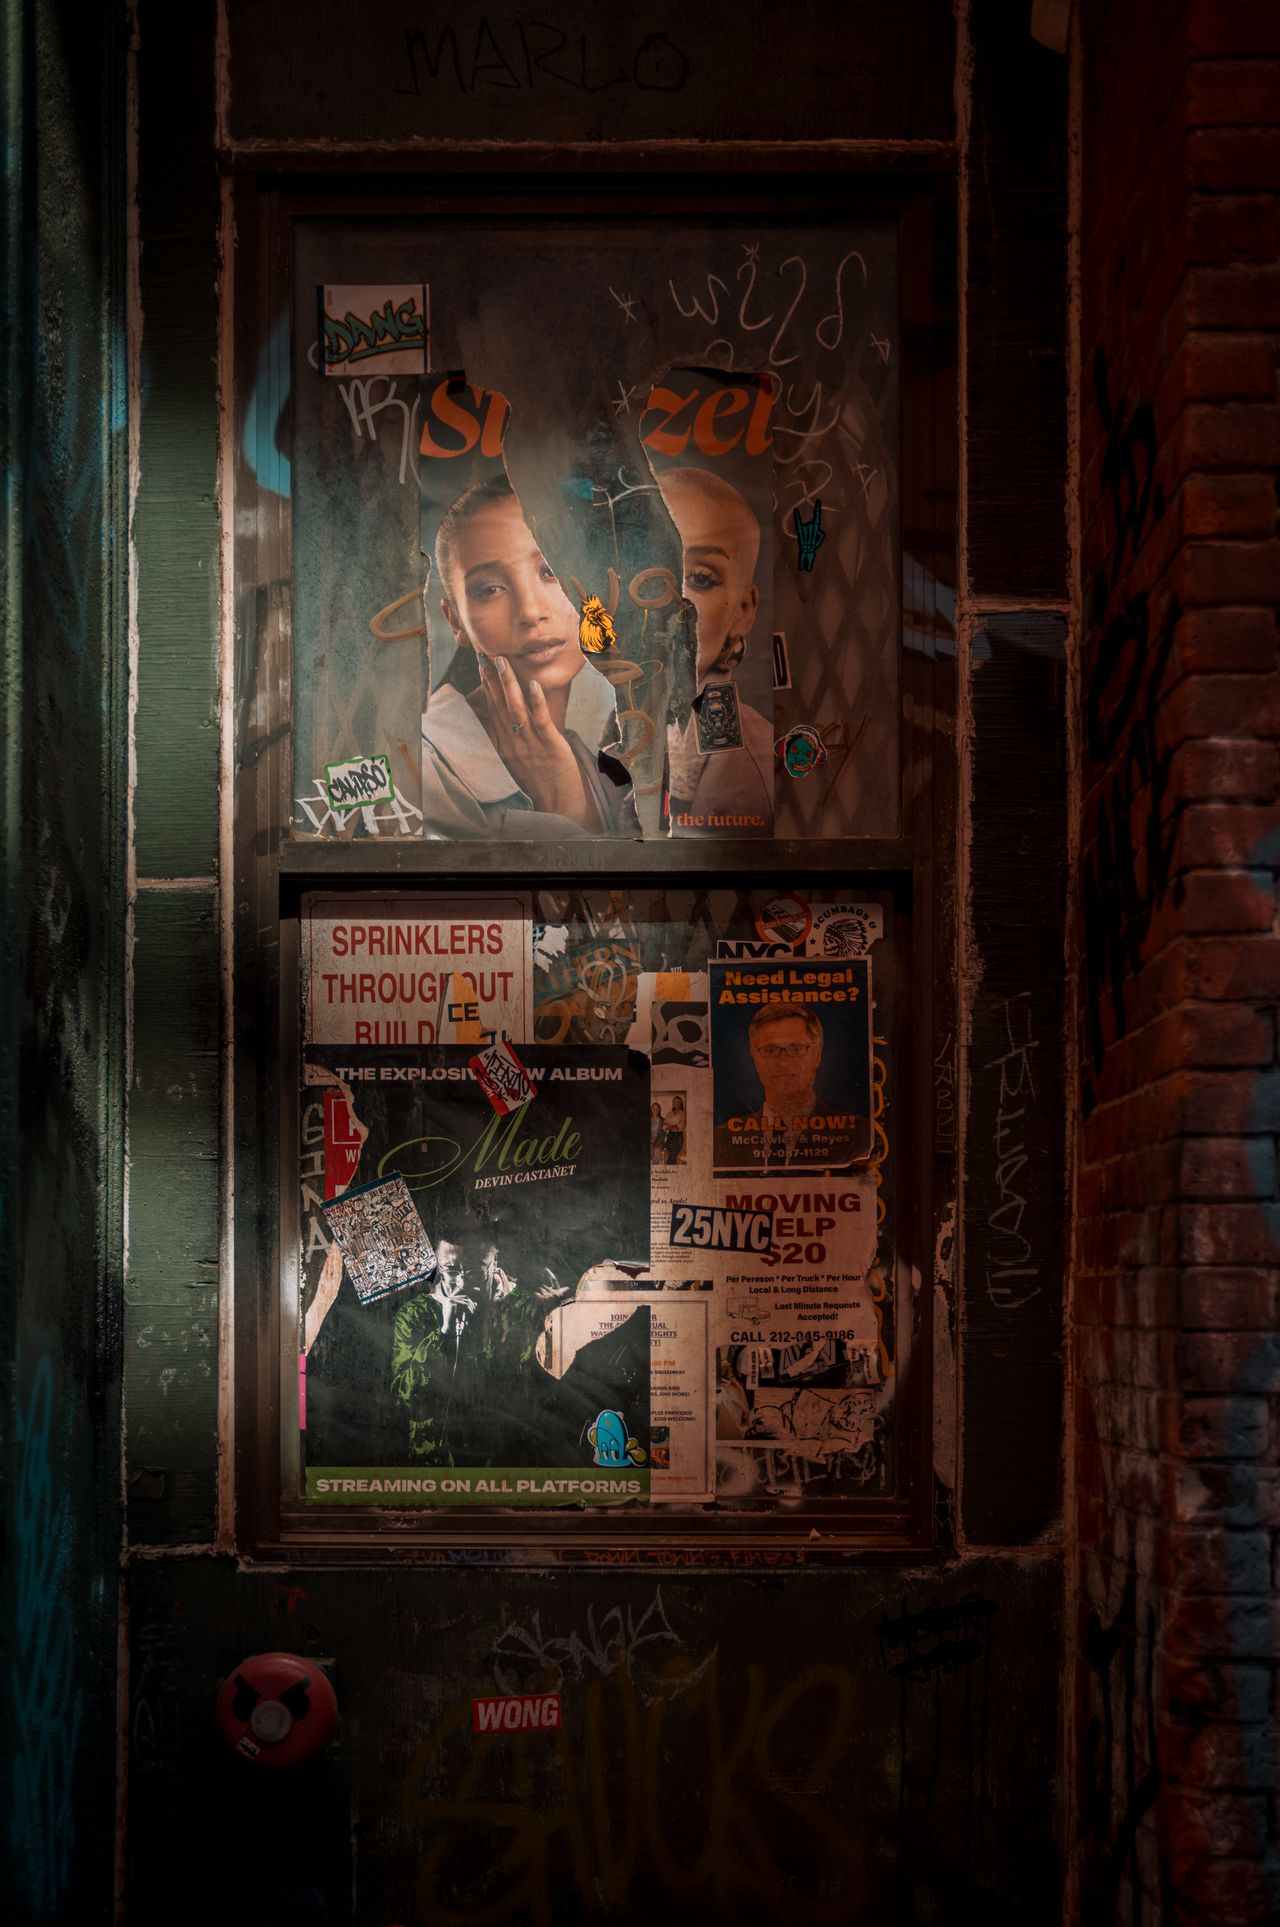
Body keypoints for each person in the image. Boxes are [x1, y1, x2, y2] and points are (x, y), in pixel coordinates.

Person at [421, 475, 636, 838]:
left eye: (551, 572)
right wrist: (563, 807)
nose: (531, 611)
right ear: (456, 621)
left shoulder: (609, 766)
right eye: (490, 589)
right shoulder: (424, 765)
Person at [656, 466, 773, 834]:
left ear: (743, 611)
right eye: (645, 569)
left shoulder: (748, 763)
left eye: (700, 579)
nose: (668, 602)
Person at [712, 1001, 863, 1173]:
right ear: (754, 1057)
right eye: (770, 1050)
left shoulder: (860, 1136)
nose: (784, 1063)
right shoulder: (719, 1142)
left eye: (797, 1049)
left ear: (817, 1055)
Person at [663, 1092, 686, 1165]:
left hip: (678, 1137)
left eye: (678, 1102)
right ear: (673, 1103)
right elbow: (664, 1126)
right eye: (674, 1102)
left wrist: (669, 1126)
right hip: (670, 1136)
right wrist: (673, 1126)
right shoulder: (669, 1114)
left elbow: (680, 1126)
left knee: (672, 1156)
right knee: (669, 1154)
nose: (676, 1103)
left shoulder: (683, 1114)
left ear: (681, 1103)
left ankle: (672, 1170)